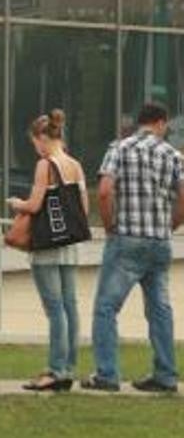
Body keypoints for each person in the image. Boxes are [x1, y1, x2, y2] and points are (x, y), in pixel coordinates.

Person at [84, 102, 183, 393]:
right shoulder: (172, 154)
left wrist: (110, 225)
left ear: (141, 122)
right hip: (160, 241)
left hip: (127, 238)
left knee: (106, 307)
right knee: (160, 309)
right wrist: (172, 224)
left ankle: (107, 374)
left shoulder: (120, 148)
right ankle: (165, 375)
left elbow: (104, 191)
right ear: (161, 123)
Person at [7, 110, 87, 392]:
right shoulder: (75, 165)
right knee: (69, 306)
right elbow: (83, 209)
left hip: (46, 247)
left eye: (34, 142)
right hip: (69, 245)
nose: (35, 148)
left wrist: (17, 203)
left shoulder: (45, 165)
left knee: (54, 309)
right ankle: (67, 368)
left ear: (42, 137)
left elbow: (35, 205)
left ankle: (54, 370)